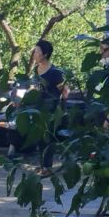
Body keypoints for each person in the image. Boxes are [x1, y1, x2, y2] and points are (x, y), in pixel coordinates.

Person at [29, 38, 67, 171]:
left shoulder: (55, 72)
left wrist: (62, 108)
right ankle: (42, 164)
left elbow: (64, 90)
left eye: (37, 52)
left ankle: (48, 166)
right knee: (39, 137)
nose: (34, 54)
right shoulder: (36, 70)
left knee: (48, 137)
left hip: (51, 109)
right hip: (38, 108)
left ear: (45, 54)